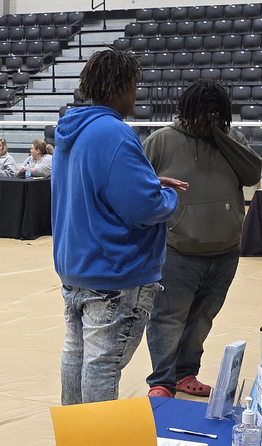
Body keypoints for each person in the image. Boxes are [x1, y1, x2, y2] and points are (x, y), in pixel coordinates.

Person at [52, 47, 183, 405]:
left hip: (77, 268)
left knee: (76, 359)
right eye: (135, 86)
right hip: (114, 273)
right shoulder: (114, 133)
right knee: (102, 366)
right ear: (122, 86)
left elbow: (99, 188)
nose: (136, 95)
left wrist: (148, 182)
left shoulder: (70, 129)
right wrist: (167, 197)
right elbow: (144, 208)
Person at [142, 79, 262, 399]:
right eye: (202, 113)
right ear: (185, 111)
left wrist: (223, 137)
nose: (207, 119)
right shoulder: (161, 141)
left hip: (225, 250)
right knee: (167, 319)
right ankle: (162, 382)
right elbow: (137, 184)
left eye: (215, 113)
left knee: (202, 318)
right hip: (177, 250)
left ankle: (186, 374)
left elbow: (253, 175)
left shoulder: (231, 138)